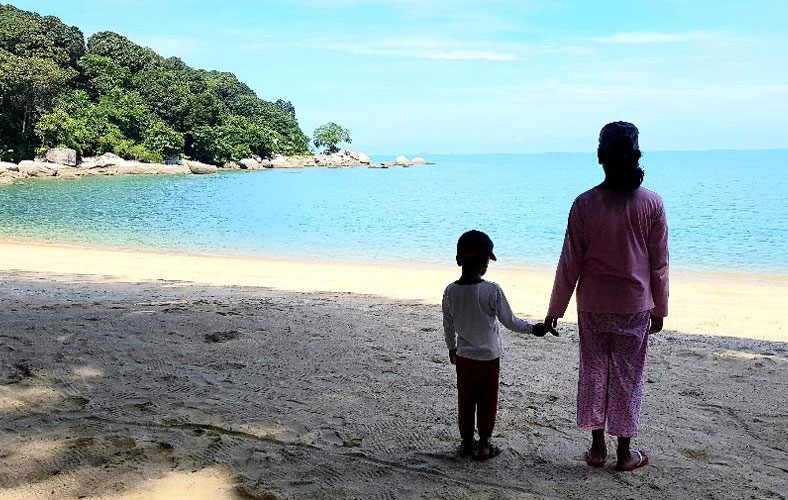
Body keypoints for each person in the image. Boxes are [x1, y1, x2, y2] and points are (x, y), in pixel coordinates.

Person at [544, 121, 669, 471]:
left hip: (593, 306)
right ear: (636, 154)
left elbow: (570, 261)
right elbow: (659, 265)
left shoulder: (584, 204)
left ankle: (597, 448)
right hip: (634, 306)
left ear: (600, 157)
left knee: (595, 372)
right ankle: (625, 453)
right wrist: (660, 307)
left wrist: (555, 308)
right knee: (628, 377)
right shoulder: (652, 204)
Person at [443, 230, 550, 460]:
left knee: (466, 400)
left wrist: (451, 347)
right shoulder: (492, 290)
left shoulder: (450, 291)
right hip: (489, 358)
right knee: (487, 400)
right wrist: (533, 329)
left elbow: (448, 323)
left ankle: (466, 443)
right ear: (485, 264)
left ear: (459, 260)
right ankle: (484, 444)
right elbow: (510, 321)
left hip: (464, 357)